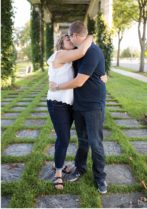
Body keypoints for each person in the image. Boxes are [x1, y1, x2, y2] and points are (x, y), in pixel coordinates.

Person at [49, 21, 107, 194]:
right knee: (82, 140)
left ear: (74, 36)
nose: (69, 39)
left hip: (93, 105)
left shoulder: (92, 51)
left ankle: (100, 178)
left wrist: (57, 87)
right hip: (78, 104)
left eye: (70, 36)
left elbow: (80, 80)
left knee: (95, 143)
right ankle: (80, 168)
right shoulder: (76, 52)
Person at [47, 33, 93, 189]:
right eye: (68, 38)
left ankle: (56, 163)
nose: (71, 41)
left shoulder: (71, 59)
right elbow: (81, 52)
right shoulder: (60, 54)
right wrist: (90, 36)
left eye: (72, 39)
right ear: (61, 42)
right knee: (64, 138)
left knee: (63, 137)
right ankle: (58, 174)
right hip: (57, 103)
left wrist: (103, 74)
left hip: (70, 103)